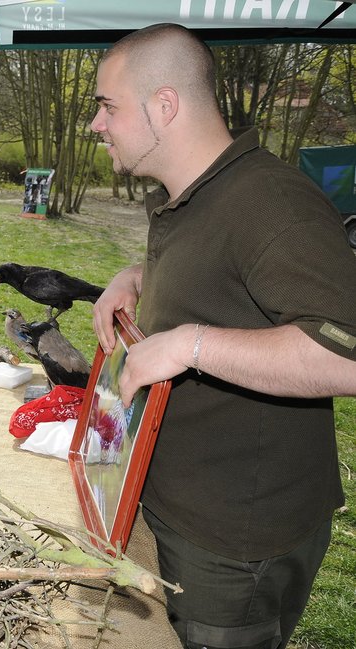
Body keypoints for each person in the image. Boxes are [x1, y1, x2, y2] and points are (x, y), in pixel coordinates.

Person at [89, 23, 356, 649]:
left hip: (233, 544)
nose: (97, 124)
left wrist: (190, 344)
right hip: (185, 510)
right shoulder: (200, 194)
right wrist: (138, 276)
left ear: (164, 105)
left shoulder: (270, 203)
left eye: (107, 105)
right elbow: (226, 276)